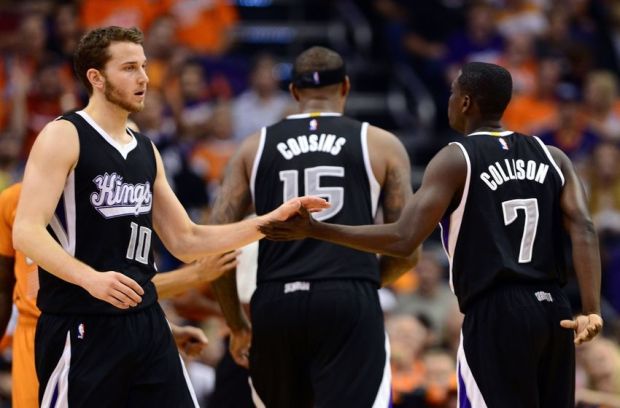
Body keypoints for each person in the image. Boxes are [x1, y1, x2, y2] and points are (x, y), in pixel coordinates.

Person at [11, 26, 327, 408]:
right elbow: (27, 231)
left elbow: (187, 240)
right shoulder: (64, 135)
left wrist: (268, 223)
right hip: (82, 322)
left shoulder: (145, 149)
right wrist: (89, 278)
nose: (144, 77)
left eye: (143, 66)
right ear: (96, 77)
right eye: (129, 68)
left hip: (146, 323)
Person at [260, 61, 604, 407]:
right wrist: (591, 309)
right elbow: (584, 228)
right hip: (553, 309)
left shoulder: (456, 158)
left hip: (496, 313)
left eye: (454, 93)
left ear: (467, 102)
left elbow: (403, 238)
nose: (450, 99)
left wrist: (317, 229)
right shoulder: (553, 157)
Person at [209, 45, 418, 408]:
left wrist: (237, 323)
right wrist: (362, 281)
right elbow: (409, 246)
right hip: (348, 299)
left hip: (276, 302)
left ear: (292, 92)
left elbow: (217, 244)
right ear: (346, 87)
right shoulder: (380, 143)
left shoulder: (252, 147)